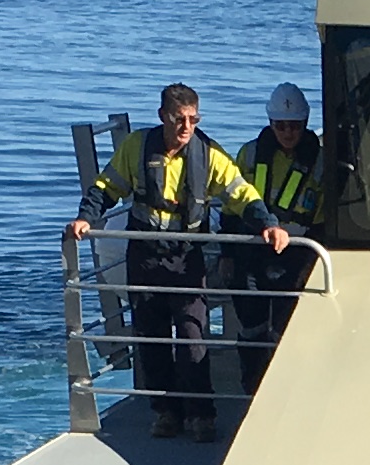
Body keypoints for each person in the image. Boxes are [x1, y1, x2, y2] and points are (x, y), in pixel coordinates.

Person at [66, 84, 292, 438]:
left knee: (192, 336)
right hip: (145, 257)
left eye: (193, 119)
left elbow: (241, 194)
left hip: (187, 259)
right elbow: (106, 187)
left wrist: (269, 224)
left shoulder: (210, 155)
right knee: (151, 339)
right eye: (179, 119)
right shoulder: (136, 148)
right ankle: (165, 412)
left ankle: (201, 415)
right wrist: (85, 217)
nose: (187, 127)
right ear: (162, 117)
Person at [227, 81, 327, 386]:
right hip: (251, 250)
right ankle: (252, 386)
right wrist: (228, 255)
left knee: (292, 325)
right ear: (270, 123)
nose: (287, 133)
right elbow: (231, 207)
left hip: (299, 252)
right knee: (250, 324)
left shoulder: (321, 160)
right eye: (281, 126)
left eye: (294, 126)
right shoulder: (248, 154)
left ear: (305, 124)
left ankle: (288, 386)